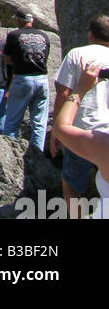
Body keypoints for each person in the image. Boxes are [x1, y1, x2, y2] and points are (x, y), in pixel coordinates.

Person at [50, 14, 109, 217]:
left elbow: (63, 93)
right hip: (107, 129)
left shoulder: (77, 54)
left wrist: (55, 133)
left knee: (71, 184)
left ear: (90, 35)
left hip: (80, 129)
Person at [2, 8, 51, 152]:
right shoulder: (44, 36)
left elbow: (6, 59)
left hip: (23, 78)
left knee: (12, 122)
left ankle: (8, 155)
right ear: (32, 21)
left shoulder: (14, 35)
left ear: (19, 21)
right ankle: (37, 157)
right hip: (42, 79)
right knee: (40, 124)